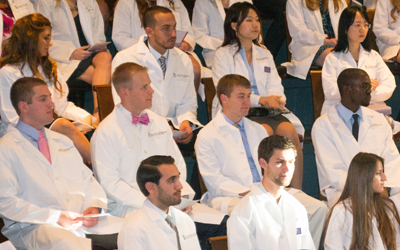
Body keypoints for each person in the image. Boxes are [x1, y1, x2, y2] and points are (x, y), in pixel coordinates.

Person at [91, 62, 227, 249]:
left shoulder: (159, 123)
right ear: (125, 92)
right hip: (130, 207)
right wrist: (154, 202)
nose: (152, 91)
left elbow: (177, 165)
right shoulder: (106, 132)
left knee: (224, 225)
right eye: (144, 87)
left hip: (169, 201)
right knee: (169, 231)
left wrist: (179, 196)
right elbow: (110, 184)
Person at [195, 74, 328, 247]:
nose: (247, 102)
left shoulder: (257, 129)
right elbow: (213, 180)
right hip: (231, 197)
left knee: (318, 209)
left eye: (249, 96)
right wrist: (249, 192)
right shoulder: (207, 134)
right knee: (259, 212)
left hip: (268, 189)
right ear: (224, 98)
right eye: (241, 97)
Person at [0, 77, 120, 250]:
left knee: (134, 231)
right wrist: (55, 217)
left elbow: (87, 180)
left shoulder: (61, 141)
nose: (51, 104)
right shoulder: (6, 148)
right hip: (34, 227)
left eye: (50, 97)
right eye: (43, 99)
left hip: (79, 220)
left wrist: (94, 206)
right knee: (69, 245)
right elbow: (6, 202)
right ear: (23, 106)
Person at [211, 2, 305, 190]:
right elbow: (226, 90)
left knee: (289, 131)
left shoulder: (264, 52)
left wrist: (275, 99)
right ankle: (266, 191)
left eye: (257, 20)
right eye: (248, 20)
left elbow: (275, 86)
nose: (255, 25)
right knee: (265, 133)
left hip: (267, 110)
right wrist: (260, 99)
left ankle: (296, 192)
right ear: (234, 25)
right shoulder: (222, 54)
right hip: (240, 112)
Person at [0, 13, 92, 163]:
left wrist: (85, 118)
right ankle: (101, 170)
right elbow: (11, 119)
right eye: (46, 38)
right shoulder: (8, 73)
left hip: (50, 127)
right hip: (21, 136)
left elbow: (62, 107)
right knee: (63, 126)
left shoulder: (48, 68)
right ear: (30, 39)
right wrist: (51, 127)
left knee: (94, 127)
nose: (50, 43)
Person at [111, 6, 202, 156]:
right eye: (165, 28)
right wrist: (160, 127)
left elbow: (188, 102)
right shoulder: (125, 58)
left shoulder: (183, 59)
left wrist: (186, 122)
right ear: (149, 31)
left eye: (174, 28)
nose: (173, 34)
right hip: (140, 130)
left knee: (205, 140)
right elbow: (124, 107)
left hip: (174, 128)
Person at [312, 68, 400, 208]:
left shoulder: (378, 120)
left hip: (382, 188)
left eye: (369, 87)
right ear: (347, 89)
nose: (369, 90)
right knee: (360, 208)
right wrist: (370, 188)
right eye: (364, 86)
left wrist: (385, 188)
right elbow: (334, 172)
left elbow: (392, 160)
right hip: (344, 192)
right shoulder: (323, 125)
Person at [228, 135, 315, 250]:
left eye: (291, 162)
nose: (287, 169)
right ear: (263, 164)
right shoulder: (243, 212)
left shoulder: (298, 208)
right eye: (280, 162)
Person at [36, 0, 112, 122]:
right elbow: (42, 37)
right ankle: (102, 114)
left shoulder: (89, 2)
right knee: (106, 78)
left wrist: (98, 44)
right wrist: (71, 53)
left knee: (106, 57)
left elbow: (98, 32)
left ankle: (99, 112)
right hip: (65, 58)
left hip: (90, 52)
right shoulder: (46, 3)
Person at [112, 0, 201, 91]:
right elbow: (120, 38)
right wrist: (150, 46)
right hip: (142, 53)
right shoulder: (126, 3)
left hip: (173, 50)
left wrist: (186, 45)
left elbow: (189, 33)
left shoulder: (175, 2)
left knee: (194, 68)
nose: (173, 33)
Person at [322, 6, 395, 116]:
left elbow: (389, 85)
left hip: (371, 110)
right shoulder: (333, 58)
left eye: (366, 25)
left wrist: (366, 94)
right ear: (345, 28)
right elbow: (330, 92)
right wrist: (364, 86)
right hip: (338, 113)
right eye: (357, 25)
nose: (362, 29)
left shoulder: (374, 56)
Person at [118, 156, 201, 250]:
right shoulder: (134, 229)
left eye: (178, 178)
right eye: (171, 180)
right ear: (151, 187)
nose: (180, 186)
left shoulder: (185, 219)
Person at [324, 152, 400, 249]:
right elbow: (333, 247)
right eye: (378, 173)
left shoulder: (388, 206)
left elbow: (397, 244)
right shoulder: (342, 211)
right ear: (364, 176)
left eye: (383, 172)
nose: (384, 178)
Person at [285, 0, 348, 79]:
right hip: (309, 47)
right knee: (336, 58)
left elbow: (347, 26)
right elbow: (298, 31)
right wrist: (324, 41)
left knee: (353, 55)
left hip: (337, 45)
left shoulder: (340, 1)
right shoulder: (294, 1)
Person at [191, 0, 251, 68]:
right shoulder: (202, 2)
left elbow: (251, 29)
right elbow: (200, 36)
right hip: (216, 55)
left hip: (244, 53)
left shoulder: (245, 1)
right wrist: (226, 44)